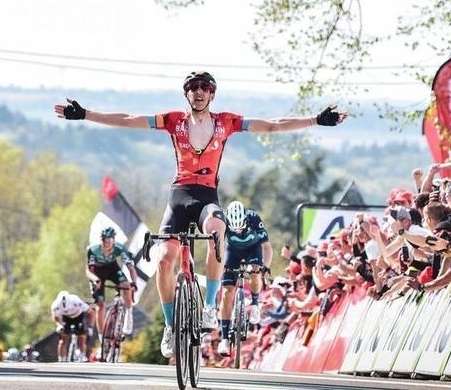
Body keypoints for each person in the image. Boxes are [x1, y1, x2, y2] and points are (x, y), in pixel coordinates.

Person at [54, 71, 347, 358]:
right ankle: (171, 327)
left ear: (211, 94)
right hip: (179, 197)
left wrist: (316, 120)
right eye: (193, 87)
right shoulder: (173, 121)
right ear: (187, 93)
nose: (198, 92)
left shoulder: (226, 123)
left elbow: (271, 126)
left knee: (217, 229)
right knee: (165, 259)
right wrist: (85, 114)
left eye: (204, 88)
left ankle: (209, 307)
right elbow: (129, 120)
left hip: (207, 197)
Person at [217, 200, 272, 356]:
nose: (239, 232)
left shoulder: (254, 218)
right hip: (232, 251)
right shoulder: (224, 222)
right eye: (235, 230)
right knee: (227, 293)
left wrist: (265, 267)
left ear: (246, 221)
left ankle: (255, 304)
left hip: (252, 250)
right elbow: (217, 246)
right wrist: (220, 265)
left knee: (255, 272)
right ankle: (224, 339)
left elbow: (267, 247)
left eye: (241, 229)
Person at [85, 226, 137, 336]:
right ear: (100, 240)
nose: (106, 242)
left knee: (126, 285)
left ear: (114, 240)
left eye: (109, 240)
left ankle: (128, 313)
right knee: (100, 305)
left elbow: (131, 268)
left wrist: (134, 283)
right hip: (97, 273)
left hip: (112, 268)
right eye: (103, 239)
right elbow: (88, 271)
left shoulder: (120, 248)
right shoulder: (93, 250)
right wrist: (95, 280)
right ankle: (101, 336)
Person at [50, 290, 91, 362]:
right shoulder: (55, 305)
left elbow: (91, 312)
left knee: (81, 337)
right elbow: (55, 317)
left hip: (78, 316)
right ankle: (61, 358)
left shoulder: (76, 301)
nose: (67, 310)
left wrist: (90, 327)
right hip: (66, 318)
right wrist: (59, 325)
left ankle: (82, 355)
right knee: (63, 338)